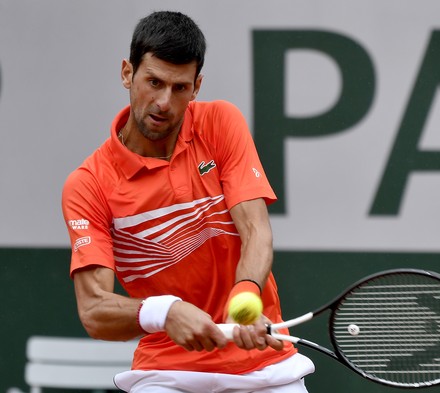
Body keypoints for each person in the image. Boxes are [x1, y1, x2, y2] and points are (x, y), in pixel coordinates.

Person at [61, 10, 314, 393]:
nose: (163, 101)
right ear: (127, 73)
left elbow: (256, 230)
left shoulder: (220, 123)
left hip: (265, 368)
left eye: (179, 88)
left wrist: (246, 295)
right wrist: (165, 312)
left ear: (196, 87)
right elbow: (94, 311)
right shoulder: (89, 185)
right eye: (154, 82)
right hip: (167, 374)